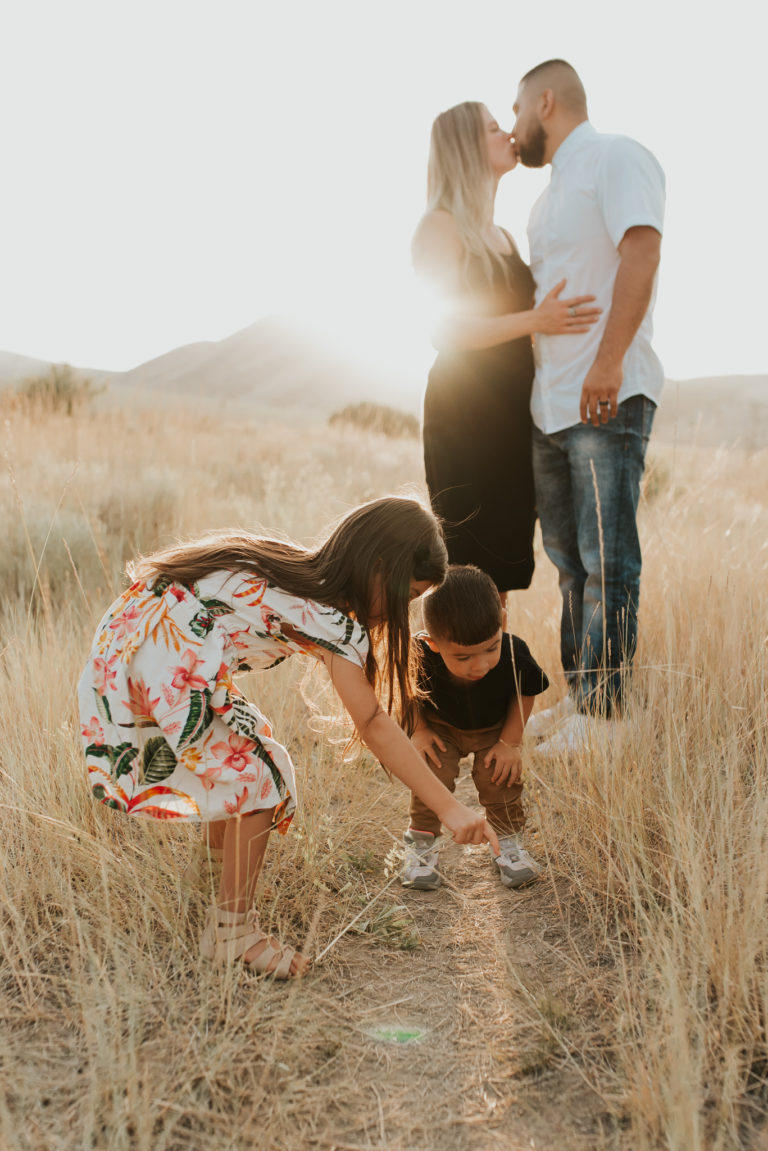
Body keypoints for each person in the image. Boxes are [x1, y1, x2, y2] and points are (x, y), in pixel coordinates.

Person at [78, 497, 501, 980]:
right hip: (160, 663)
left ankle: (210, 899)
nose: (402, 613)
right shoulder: (332, 620)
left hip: (131, 645)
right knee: (259, 774)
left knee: (246, 758)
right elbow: (374, 723)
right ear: (378, 568)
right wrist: (448, 807)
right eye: (408, 596)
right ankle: (232, 932)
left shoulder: (288, 564)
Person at [511, 60, 665, 753]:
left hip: (606, 393)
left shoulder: (615, 157)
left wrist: (606, 362)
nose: (514, 129)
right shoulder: (545, 201)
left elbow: (642, 249)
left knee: (609, 559)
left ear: (545, 101)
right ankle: (581, 696)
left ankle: (608, 716)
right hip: (551, 406)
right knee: (569, 559)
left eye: (517, 112)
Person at [412, 100, 601, 602]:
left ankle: (498, 681)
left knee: (505, 570)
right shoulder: (440, 225)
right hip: (465, 415)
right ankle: (451, 677)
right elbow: (445, 330)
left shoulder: (502, 236)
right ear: (465, 150)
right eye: (494, 129)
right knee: (467, 569)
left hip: (515, 416)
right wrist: (535, 321)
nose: (507, 136)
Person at [400, 565, 549, 890]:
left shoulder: (512, 651)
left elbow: (527, 691)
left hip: (493, 732)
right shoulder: (418, 654)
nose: (480, 664)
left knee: (501, 780)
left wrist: (510, 743)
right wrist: (419, 730)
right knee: (430, 776)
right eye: (464, 657)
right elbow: (406, 693)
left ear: (502, 622)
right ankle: (421, 846)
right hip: (440, 729)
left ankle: (508, 845)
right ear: (433, 642)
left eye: (490, 648)